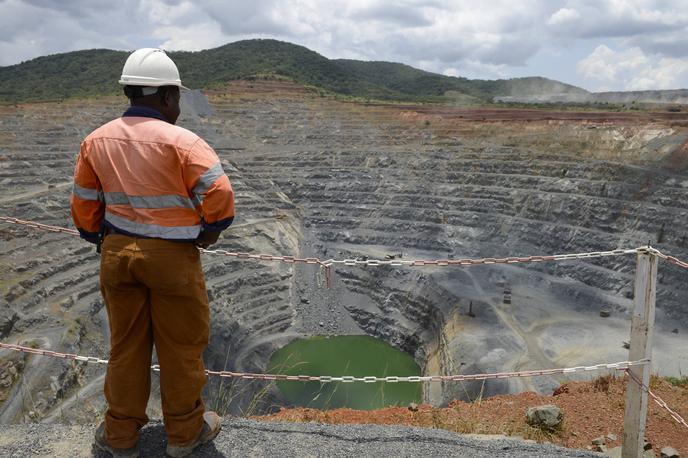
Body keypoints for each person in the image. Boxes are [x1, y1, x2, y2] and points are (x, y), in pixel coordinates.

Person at [70, 48, 235, 458]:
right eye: (176, 97)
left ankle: (121, 438)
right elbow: (220, 194)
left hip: (117, 255)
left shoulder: (97, 140)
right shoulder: (183, 142)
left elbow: (84, 203)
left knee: (126, 348)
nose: (177, 105)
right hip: (172, 259)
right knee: (181, 347)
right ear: (166, 97)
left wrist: (101, 239)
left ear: (129, 92)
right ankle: (183, 435)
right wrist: (208, 232)